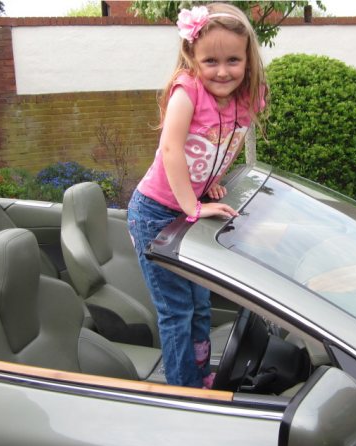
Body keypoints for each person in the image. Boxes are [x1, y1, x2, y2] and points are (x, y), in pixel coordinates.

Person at [127, 3, 267, 389]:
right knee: (177, 311)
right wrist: (193, 204)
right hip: (156, 213)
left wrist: (209, 185)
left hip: (192, 207)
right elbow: (172, 150)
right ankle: (182, 388)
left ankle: (202, 375)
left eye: (233, 60)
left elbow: (220, 145)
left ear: (248, 58)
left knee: (201, 305)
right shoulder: (187, 91)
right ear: (192, 57)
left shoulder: (246, 99)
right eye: (211, 60)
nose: (223, 71)